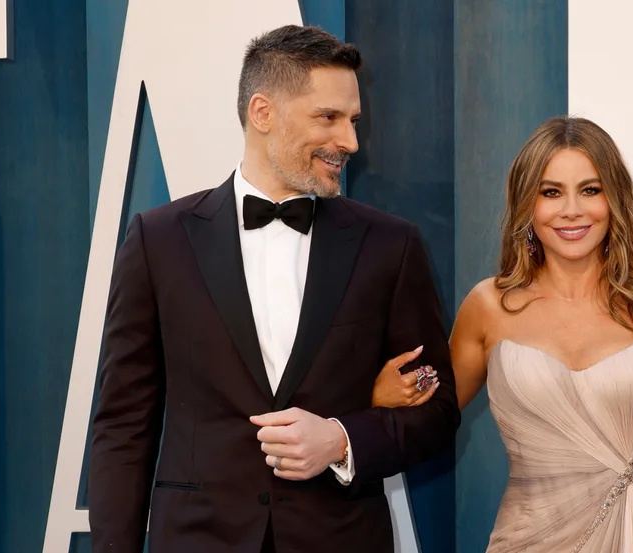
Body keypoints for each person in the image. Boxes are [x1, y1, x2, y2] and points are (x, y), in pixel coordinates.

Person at [88, 25, 459, 553]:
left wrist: (341, 439)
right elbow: (124, 425)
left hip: (340, 538)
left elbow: (436, 406)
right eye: (328, 118)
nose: (350, 142)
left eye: (352, 121)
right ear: (263, 113)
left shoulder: (390, 246)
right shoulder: (160, 240)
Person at [373, 116, 633, 552]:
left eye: (591, 190)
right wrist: (382, 398)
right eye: (551, 192)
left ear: (615, 199)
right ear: (528, 204)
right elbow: (431, 417)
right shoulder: (489, 306)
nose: (572, 209)